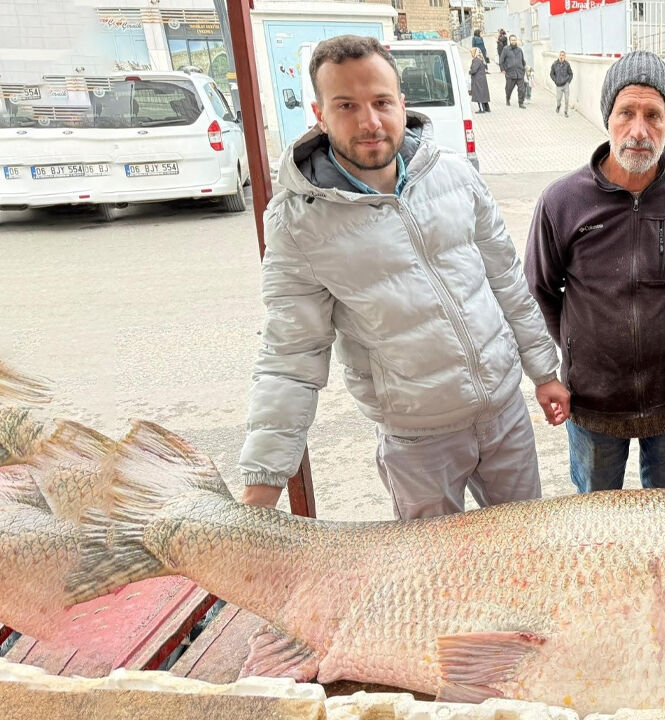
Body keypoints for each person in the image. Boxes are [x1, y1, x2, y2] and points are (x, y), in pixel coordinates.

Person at [237, 35, 569, 519]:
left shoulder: (455, 175)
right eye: (346, 105)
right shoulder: (299, 222)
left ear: (401, 103)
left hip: (505, 418)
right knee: (437, 566)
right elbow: (290, 356)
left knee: (525, 550)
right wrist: (262, 486)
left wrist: (544, 373)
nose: (369, 122)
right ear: (319, 114)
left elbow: (507, 282)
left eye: (381, 102)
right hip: (418, 442)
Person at [526, 51, 665, 493]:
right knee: (596, 514)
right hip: (593, 404)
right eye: (626, 112)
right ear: (607, 118)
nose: (639, 131)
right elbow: (539, 290)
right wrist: (574, 352)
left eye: (653, 116)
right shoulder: (562, 201)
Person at [500, 35, 527, 108]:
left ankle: (521, 103)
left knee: (522, 89)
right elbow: (501, 60)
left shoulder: (519, 50)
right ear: (510, 41)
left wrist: (524, 67)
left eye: (515, 40)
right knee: (508, 89)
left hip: (520, 73)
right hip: (510, 73)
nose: (514, 41)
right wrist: (502, 69)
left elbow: (522, 60)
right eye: (512, 40)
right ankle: (507, 98)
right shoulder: (506, 49)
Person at [550, 50, 573, 118]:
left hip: (566, 84)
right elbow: (551, 74)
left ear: (565, 57)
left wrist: (568, 82)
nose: (561, 56)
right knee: (558, 99)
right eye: (560, 55)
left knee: (567, 99)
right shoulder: (555, 64)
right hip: (558, 85)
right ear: (558, 56)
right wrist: (555, 80)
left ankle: (566, 112)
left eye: (563, 55)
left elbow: (571, 74)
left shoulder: (567, 64)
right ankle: (558, 106)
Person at [469, 46, 491, 113]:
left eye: (472, 52)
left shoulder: (476, 60)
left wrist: (470, 71)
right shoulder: (481, 59)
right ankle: (487, 108)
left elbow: (473, 70)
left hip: (478, 80)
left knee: (479, 95)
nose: (471, 54)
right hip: (482, 79)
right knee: (483, 94)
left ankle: (482, 109)